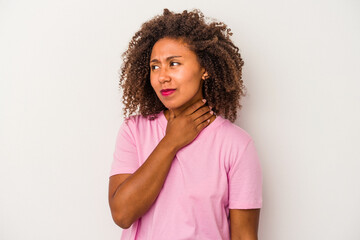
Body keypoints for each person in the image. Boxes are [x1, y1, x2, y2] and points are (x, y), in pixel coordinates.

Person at [108, 8, 262, 240]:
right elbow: (122, 214)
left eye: (174, 63)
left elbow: (244, 236)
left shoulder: (236, 144)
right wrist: (171, 142)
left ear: (205, 69)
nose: (162, 76)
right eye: (155, 66)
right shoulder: (134, 131)